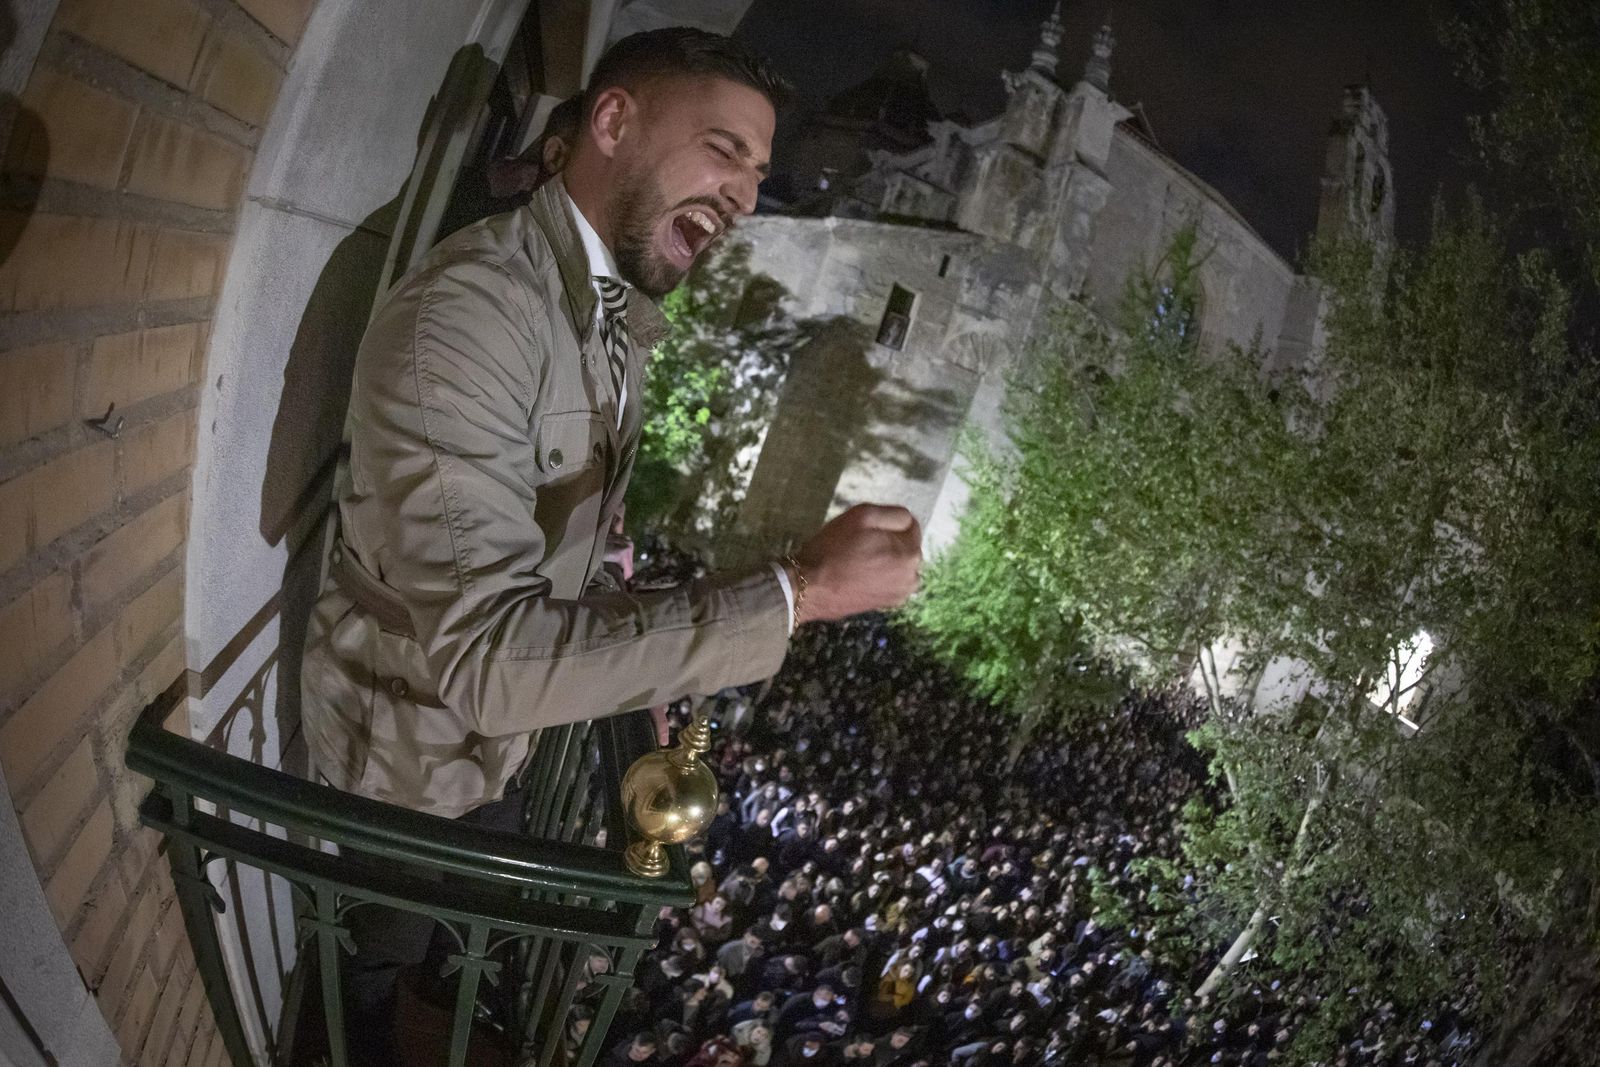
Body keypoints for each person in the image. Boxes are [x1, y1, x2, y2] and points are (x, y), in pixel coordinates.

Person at [300, 26, 923, 1061]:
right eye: (723, 150)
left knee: (455, 945)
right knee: (363, 978)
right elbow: (489, 661)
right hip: (405, 764)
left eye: (759, 173)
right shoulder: (474, 316)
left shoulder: (609, 310)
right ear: (612, 120)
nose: (747, 199)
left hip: (496, 751)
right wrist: (796, 589)